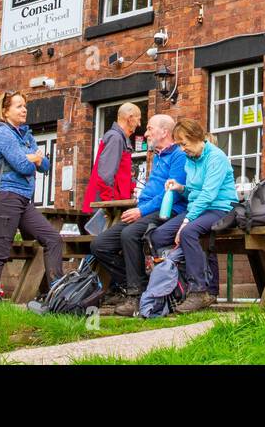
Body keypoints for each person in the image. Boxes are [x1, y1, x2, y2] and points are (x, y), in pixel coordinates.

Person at [91, 113, 186, 317]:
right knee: (100, 244)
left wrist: (141, 210)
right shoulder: (159, 156)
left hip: (167, 212)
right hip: (145, 211)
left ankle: (135, 296)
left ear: (165, 132)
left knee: (130, 234)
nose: (147, 133)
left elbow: (170, 193)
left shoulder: (179, 155)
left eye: (150, 128)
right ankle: (133, 284)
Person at [0, 90, 64, 302]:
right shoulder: (2, 132)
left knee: (52, 238)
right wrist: (33, 159)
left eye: (25, 106)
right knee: (0, 249)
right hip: (4, 195)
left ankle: (57, 293)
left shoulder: (25, 135)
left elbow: (45, 165)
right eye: (19, 106)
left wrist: (34, 159)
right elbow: (23, 166)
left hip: (21, 198)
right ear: (5, 111)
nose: (24, 109)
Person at [149, 119, 237, 313]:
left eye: (183, 144)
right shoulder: (190, 160)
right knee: (158, 235)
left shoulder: (216, 157)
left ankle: (199, 291)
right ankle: (176, 287)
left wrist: (187, 221)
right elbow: (195, 193)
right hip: (199, 208)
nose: (181, 149)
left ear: (196, 138)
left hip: (221, 208)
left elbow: (208, 195)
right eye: (179, 145)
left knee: (188, 232)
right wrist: (181, 188)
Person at [83, 102, 138, 212]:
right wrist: (109, 205)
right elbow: (105, 175)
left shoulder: (118, 137)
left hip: (111, 204)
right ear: (130, 119)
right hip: (106, 208)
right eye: (138, 119)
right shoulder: (115, 138)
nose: (139, 123)